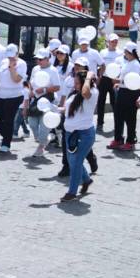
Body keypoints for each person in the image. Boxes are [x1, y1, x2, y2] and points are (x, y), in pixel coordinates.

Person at [60, 69, 98, 202]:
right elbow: (67, 110)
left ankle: (72, 192)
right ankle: (86, 180)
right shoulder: (74, 94)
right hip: (70, 133)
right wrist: (52, 109)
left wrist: (88, 77)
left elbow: (85, 92)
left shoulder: (92, 92)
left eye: (77, 82)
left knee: (76, 162)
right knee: (72, 161)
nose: (74, 85)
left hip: (85, 134)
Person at [110, 42, 140, 151]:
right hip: (122, 92)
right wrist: (119, 83)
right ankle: (118, 138)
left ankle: (130, 141)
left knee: (130, 118)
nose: (124, 53)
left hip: (131, 93)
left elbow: (132, 81)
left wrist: (119, 81)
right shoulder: (127, 62)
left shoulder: (136, 64)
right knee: (118, 116)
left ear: (131, 52)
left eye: (126, 51)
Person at [0, 44, 26, 153]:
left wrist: (12, 68)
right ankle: (7, 134)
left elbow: (16, 79)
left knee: (8, 119)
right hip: (0, 94)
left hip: (14, 95)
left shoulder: (21, 64)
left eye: (12, 56)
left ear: (17, 54)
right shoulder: (3, 62)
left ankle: (6, 142)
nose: (10, 58)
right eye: (8, 56)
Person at [27, 48, 61, 156]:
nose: (39, 61)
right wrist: (31, 91)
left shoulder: (53, 70)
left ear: (47, 59)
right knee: (32, 122)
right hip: (36, 100)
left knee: (44, 123)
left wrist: (44, 89)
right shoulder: (35, 69)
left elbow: (57, 87)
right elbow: (31, 82)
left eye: (41, 59)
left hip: (48, 99)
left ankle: (41, 146)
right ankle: (43, 140)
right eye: (38, 59)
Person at [97, 34, 122, 133]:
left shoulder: (120, 53)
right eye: (112, 41)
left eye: (116, 41)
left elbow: (121, 67)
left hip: (114, 80)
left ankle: (117, 123)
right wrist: (99, 77)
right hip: (104, 79)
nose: (114, 43)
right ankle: (100, 123)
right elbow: (100, 65)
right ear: (108, 42)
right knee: (101, 102)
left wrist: (118, 79)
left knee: (114, 102)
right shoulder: (103, 52)